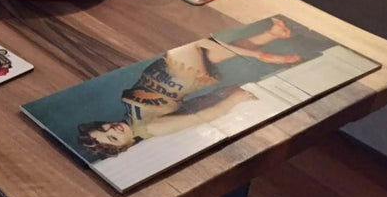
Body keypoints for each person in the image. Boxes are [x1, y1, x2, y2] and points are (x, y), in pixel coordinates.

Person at [77, 18, 301, 157]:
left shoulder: (130, 117)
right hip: (183, 76)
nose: (112, 130)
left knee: (215, 52)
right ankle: (259, 55)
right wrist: (234, 99)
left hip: (174, 70)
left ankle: (272, 35)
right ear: (125, 146)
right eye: (113, 138)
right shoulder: (150, 129)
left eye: (104, 129)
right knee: (192, 45)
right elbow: (198, 118)